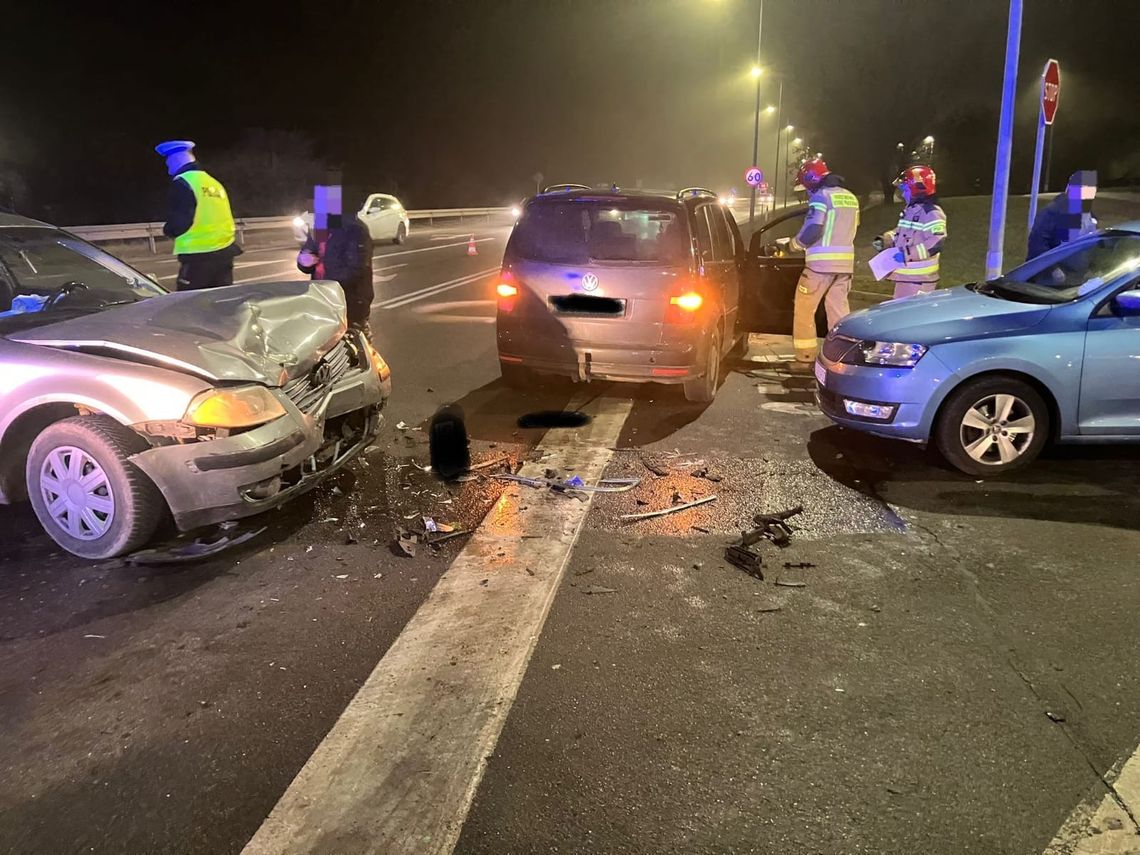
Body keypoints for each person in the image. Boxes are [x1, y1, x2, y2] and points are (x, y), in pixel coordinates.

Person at [788, 158, 860, 365]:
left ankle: (805, 356)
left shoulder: (821, 197)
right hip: (845, 266)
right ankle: (841, 356)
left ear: (811, 180)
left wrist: (795, 245)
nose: (806, 191)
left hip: (820, 266)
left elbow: (814, 227)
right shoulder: (850, 198)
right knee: (838, 311)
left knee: (804, 308)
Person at [155, 140, 241, 290]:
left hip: (198, 256)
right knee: (220, 302)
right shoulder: (212, 182)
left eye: (169, 162)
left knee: (188, 305)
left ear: (177, 160)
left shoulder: (183, 182)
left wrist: (169, 230)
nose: (168, 168)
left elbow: (181, 220)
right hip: (224, 252)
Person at [297, 188, 375, 338]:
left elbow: (356, 269)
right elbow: (307, 253)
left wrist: (327, 283)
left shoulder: (354, 230)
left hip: (350, 303)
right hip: (324, 302)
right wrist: (304, 261)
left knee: (356, 350)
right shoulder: (320, 228)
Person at [873, 165, 947, 300]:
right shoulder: (911, 210)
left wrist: (906, 254)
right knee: (900, 316)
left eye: (905, 189)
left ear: (917, 189)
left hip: (919, 280)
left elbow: (936, 243)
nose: (902, 193)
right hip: (907, 277)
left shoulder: (932, 212)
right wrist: (886, 239)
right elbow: (902, 231)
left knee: (908, 318)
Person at [1027, 170, 1098, 260]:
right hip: (1056, 270)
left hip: (1080, 271)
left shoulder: (1088, 214)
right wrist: (1055, 271)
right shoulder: (1051, 213)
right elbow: (1037, 247)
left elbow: (1093, 241)